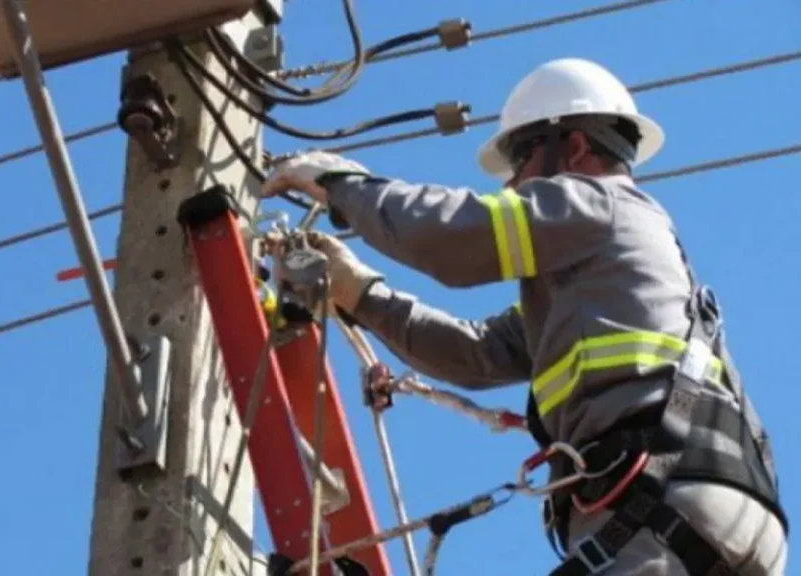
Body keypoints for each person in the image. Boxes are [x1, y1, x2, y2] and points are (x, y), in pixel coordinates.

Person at [261, 58, 788, 575]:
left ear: (575, 147)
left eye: (520, 159)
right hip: (711, 510)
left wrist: (344, 185)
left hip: (657, 502)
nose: (512, 185)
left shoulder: (598, 204)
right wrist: (364, 295)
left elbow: (453, 236)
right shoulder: (599, 286)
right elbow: (476, 353)